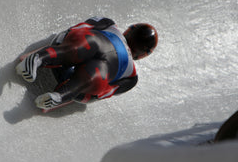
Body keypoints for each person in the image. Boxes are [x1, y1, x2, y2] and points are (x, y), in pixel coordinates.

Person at [16, 17, 158, 110]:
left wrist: (66, 37)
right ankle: (60, 96)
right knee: (92, 79)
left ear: (130, 30)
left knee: (75, 49)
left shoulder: (110, 24)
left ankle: (39, 58)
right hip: (100, 70)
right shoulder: (132, 77)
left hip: (94, 42)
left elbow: (82, 26)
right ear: (143, 54)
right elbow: (107, 92)